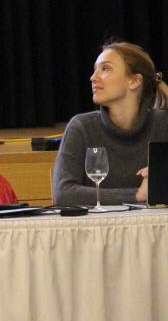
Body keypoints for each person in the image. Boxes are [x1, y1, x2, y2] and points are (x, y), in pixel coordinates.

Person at [52, 40, 168, 206]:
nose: (93, 77)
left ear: (135, 81)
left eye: (105, 68)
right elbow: (63, 194)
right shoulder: (81, 127)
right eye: (95, 69)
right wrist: (137, 195)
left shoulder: (163, 124)